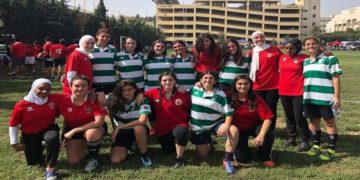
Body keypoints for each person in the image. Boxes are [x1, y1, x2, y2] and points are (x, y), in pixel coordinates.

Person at [8, 78, 61, 180]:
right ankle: (41, 144)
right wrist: (13, 142)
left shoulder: (55, 98)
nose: (45, 91)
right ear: (33, 88)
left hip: (48, 128)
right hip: (30, 133)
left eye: (48, 89)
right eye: (41, 88)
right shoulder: (21, 105)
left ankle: (50, 170)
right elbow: (13, 124)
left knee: (53, 139)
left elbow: (73, 96)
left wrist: (93, 94)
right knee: (33, 162)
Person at [189, 71, 238, 174]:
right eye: (205, 78)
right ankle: (209, 142)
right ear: (200, 80)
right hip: (198, 127)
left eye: (211, 78)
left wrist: (226, 125)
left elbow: (229, 113)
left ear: (215, 80)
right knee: (204, 155)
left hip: (215, 124)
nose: (208, 80)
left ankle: (228, 160)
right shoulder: (193, 90)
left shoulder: (221, 94)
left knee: (233, 130)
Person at [302, 37, 342, 161]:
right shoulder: (306, 61)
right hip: (309, 97)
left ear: (319, 44)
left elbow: (335, 77)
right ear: (305, 47)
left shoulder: (330, 58)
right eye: (308, 44)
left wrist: (336, 96)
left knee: (329, 122)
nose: (310, 46)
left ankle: (331, 149)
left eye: (313, 43)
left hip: (325, 98)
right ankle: (316, 146)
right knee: (313, 122)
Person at [58, 75, 106, 172]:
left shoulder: (94, 99)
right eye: (76, 86)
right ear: (70, 86)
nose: (80, 88)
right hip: (73, 129)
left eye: (84, 86)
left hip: (93, 128)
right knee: (73, 161)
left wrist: (76, 130)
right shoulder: (62, 99)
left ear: (88, 87)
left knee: (91, 134)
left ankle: (93, 158)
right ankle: (86, 145)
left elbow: (99, 122)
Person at [143, 72, 191, 168]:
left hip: (179, 124)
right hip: (163, 128)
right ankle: (177, 143)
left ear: (175, 81)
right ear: (160, 82)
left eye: (170, 80)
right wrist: (140, 95)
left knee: (181, 132)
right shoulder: (154, 92)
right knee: (168, 151)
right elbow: (142, 95)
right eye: (164, 80)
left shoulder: (182, 93)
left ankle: (179, 158)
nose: (167, 82)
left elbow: (190, 109)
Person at [230, 75, 275, 168]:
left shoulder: (255, 98)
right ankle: (240, 150)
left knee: (267, 133)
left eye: (246, 84)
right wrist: (199, 84)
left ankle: (265, 156)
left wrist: (261, 134)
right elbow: (212, 89)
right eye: (240, 84)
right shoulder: (228, 97)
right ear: (234, 85)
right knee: (243, 159)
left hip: (253, 125)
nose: (243, 86)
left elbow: (268, 118)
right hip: (238, 129)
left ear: (250, 85)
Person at [109, 79, 152, 167]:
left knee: (138, 128)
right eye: (123, 90)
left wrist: (118, 128)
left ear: (135, 89)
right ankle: (130, 145)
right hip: (122, 132)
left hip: (137, 129)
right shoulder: (112, 99)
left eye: (129, 89)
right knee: (115, 160)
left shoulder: (142, 100)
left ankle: (143, 153)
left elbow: (142, 120)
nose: (126, 92)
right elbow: (99, 97)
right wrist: (99, 94)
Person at [278, 39, 311, 151]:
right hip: (283, 91)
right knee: (289, 116)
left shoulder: (304, 58)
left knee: (299, 117)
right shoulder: (282, 58)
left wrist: (326, 53)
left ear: (298, 47)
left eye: (291, 48)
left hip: (298, 92)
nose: (288, 50)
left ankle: (305, 140)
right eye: (286, 48)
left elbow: (317, 58)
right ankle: (292, 138)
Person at [249, 31, 282, 130]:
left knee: (271, 108)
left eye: (261, 37)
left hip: (273, 85)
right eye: (256, 38)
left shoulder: (274, 50)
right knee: (258, 109)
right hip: (257, 85)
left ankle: (270, 130)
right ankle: (259, 129)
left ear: (264, 38)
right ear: (253, 40)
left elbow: (284, 62)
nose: (259, 39)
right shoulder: (252, 52)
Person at [90, 28, 118, 95]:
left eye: (107, 37)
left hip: (111, 83)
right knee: (96, 104)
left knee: (110, 104)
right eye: (102, 36)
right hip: (95, 83)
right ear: (97, 36)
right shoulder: (90, 49)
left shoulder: (113, 49)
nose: (105, 38)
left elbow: (116, 65)